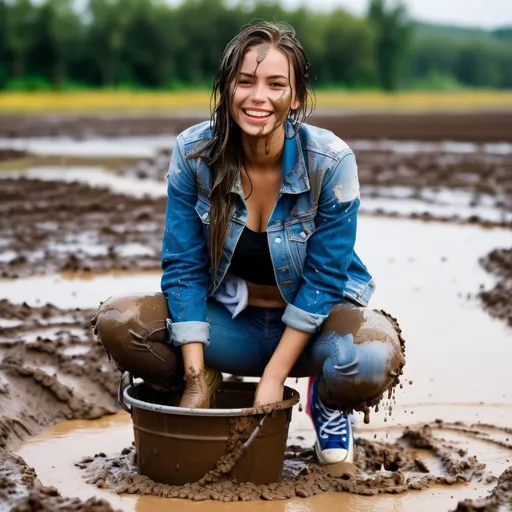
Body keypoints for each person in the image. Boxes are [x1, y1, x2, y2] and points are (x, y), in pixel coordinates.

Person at [92, 21, 405, 467]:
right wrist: (196, 378)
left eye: (276, 84)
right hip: (230, 325)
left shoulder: (331, 162)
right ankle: (205, 376)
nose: (258, 97)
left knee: (372, 358)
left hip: (312, 328)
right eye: (245, 81)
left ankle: (328, 404)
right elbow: (183, 267)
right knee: (119, 323)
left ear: (295, 98)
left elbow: (324, 278)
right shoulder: (193, 153)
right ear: (227, 88)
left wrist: (273, 379)